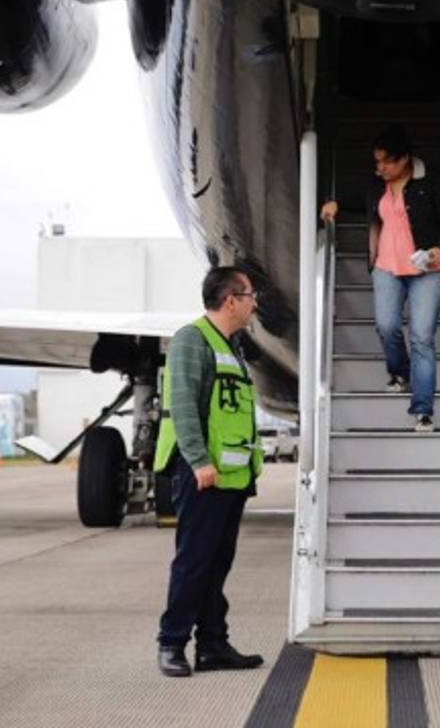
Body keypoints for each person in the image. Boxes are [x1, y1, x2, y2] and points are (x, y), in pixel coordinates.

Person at [154, 266, 265, 678]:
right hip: (201, 471)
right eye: (250, 296)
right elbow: (183, 404)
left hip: (230, 474)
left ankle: (213, 644)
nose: (255, 304)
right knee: (194, 562)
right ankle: (171, 643)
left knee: (217, 563)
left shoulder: (231, 346)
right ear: (231, 301)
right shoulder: (192, 339)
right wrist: (199, 460)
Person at [320, 124, 440, 432]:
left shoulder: (432, 180)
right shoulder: (377, 183)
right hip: (386, 265)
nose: (380, 168)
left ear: (405, 159)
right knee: (386, 326)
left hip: (428, 269)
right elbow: (361, 198)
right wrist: (337, 203)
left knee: (422, 337)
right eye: (377, 161)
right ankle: (401, 373)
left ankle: (422, 410)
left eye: (387, 161)